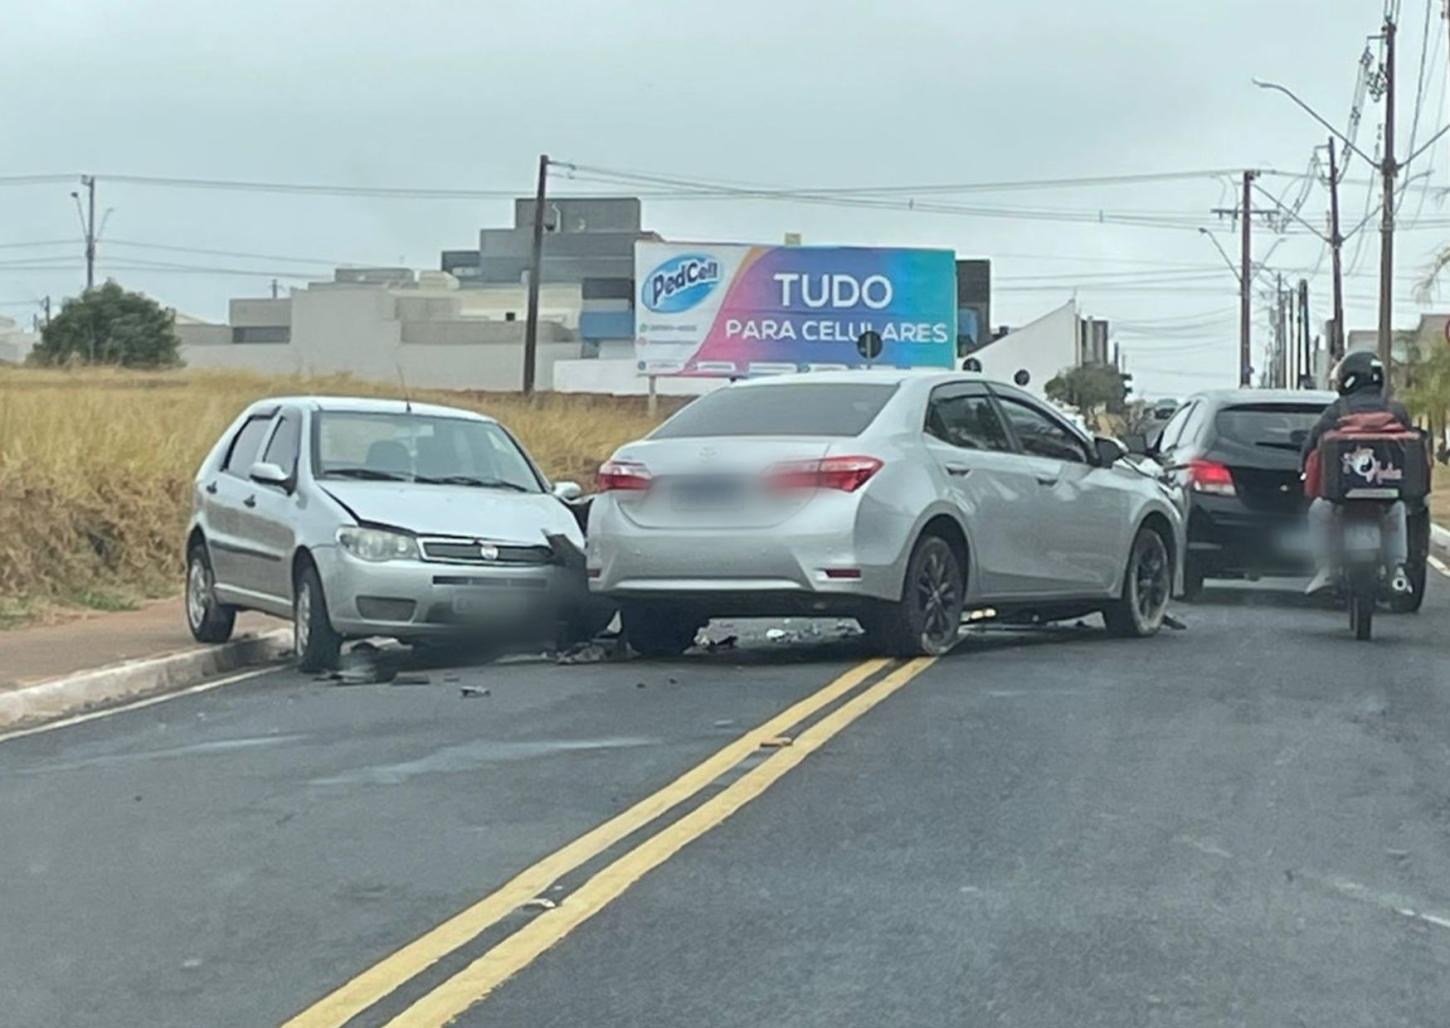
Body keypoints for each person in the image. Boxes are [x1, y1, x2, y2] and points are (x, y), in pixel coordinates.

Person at [1300, 350, 1412, 596]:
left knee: (1319, 511)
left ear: (1347, 378)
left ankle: (1326, 568)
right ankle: (1398, 570)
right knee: (1398, 510)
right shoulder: (1397, 410)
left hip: (1342, 494)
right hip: (1387, 493)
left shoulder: (1336, 411)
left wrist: (1303, 468)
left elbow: (1311, 443)